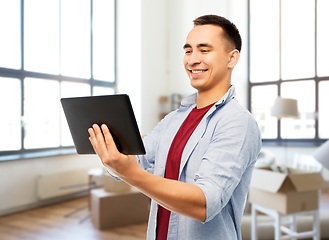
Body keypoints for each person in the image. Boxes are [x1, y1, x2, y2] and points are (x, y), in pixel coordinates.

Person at [88, 14, 262, 240]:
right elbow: (135, 160)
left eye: (204, 50)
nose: (192, 59)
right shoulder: (173, 119)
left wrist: (131, 173)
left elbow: (204, 204)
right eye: (188, 50)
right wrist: (112, 148)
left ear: (232, 58)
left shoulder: (238, 122)